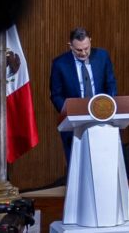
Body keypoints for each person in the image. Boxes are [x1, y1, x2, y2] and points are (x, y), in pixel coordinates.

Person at [50, 27, 118, 165]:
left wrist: (108, 105)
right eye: (79, 50)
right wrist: (67, 112)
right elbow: (56, 94)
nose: (84, 53)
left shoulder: (102, 56)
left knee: (102, 162)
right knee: (77, 164)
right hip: (73, 120)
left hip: (101, 116)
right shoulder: (59, 64)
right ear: (70, 46)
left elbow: (110, 83)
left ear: (90, 42)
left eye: (86, 48)